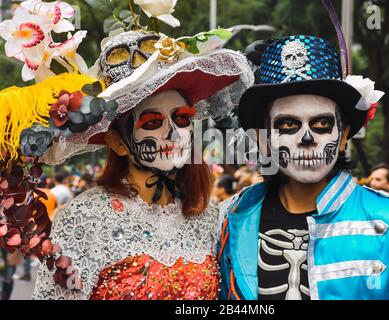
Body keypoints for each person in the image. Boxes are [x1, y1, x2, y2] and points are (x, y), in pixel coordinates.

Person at [32, 3, 253, 299]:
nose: (172, 132)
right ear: (118, 142)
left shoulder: (206, 217)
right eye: (152, 122)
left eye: (182, 118)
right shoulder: (83, 217)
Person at [217, 32, 389, 300]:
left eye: (321, 124)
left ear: (342, 137)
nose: (307, 139)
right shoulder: (232, 218)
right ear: (263, 138)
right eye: (288, 125)